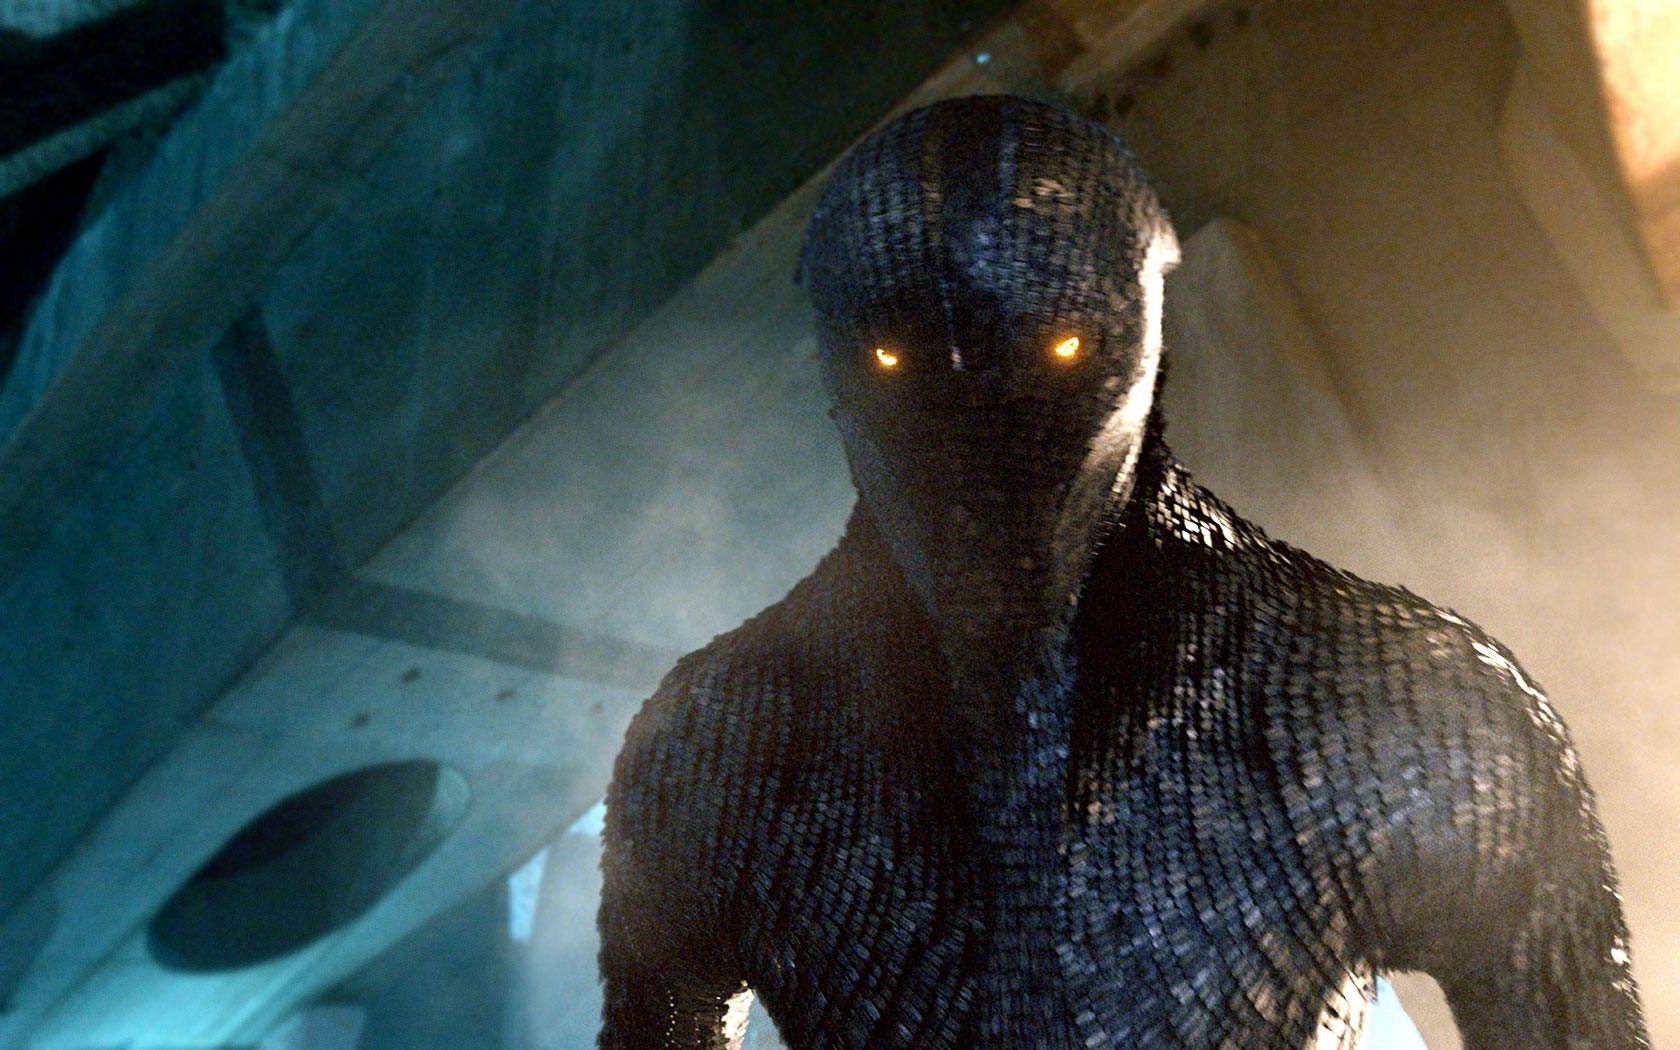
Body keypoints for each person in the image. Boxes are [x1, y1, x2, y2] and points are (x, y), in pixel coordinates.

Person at [597, 94, 1648, 1049]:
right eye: (902, 361)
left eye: (1056, 348)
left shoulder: (1391, 698)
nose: (983, 426)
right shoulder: (715, 744)